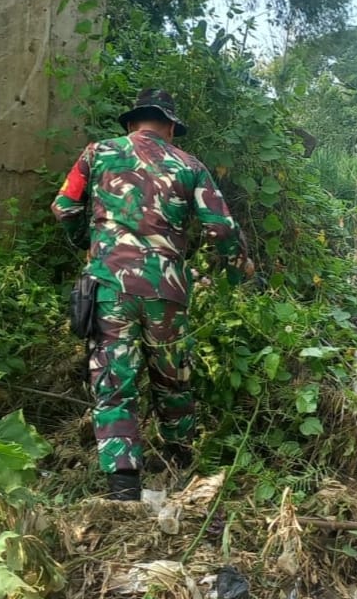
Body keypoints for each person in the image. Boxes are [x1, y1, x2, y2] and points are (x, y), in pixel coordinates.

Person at [51, 89, 251, 502]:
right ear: (172, 128)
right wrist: (235, 272)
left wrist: (88, 245)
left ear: (131, 123)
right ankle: (180, 459)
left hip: (109, 288)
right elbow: (222, 229)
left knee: (114, 381)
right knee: (172, 377)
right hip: (167, 292)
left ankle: (123, 485)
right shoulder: (190, 165)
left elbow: (64, 207)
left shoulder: (97, 153)